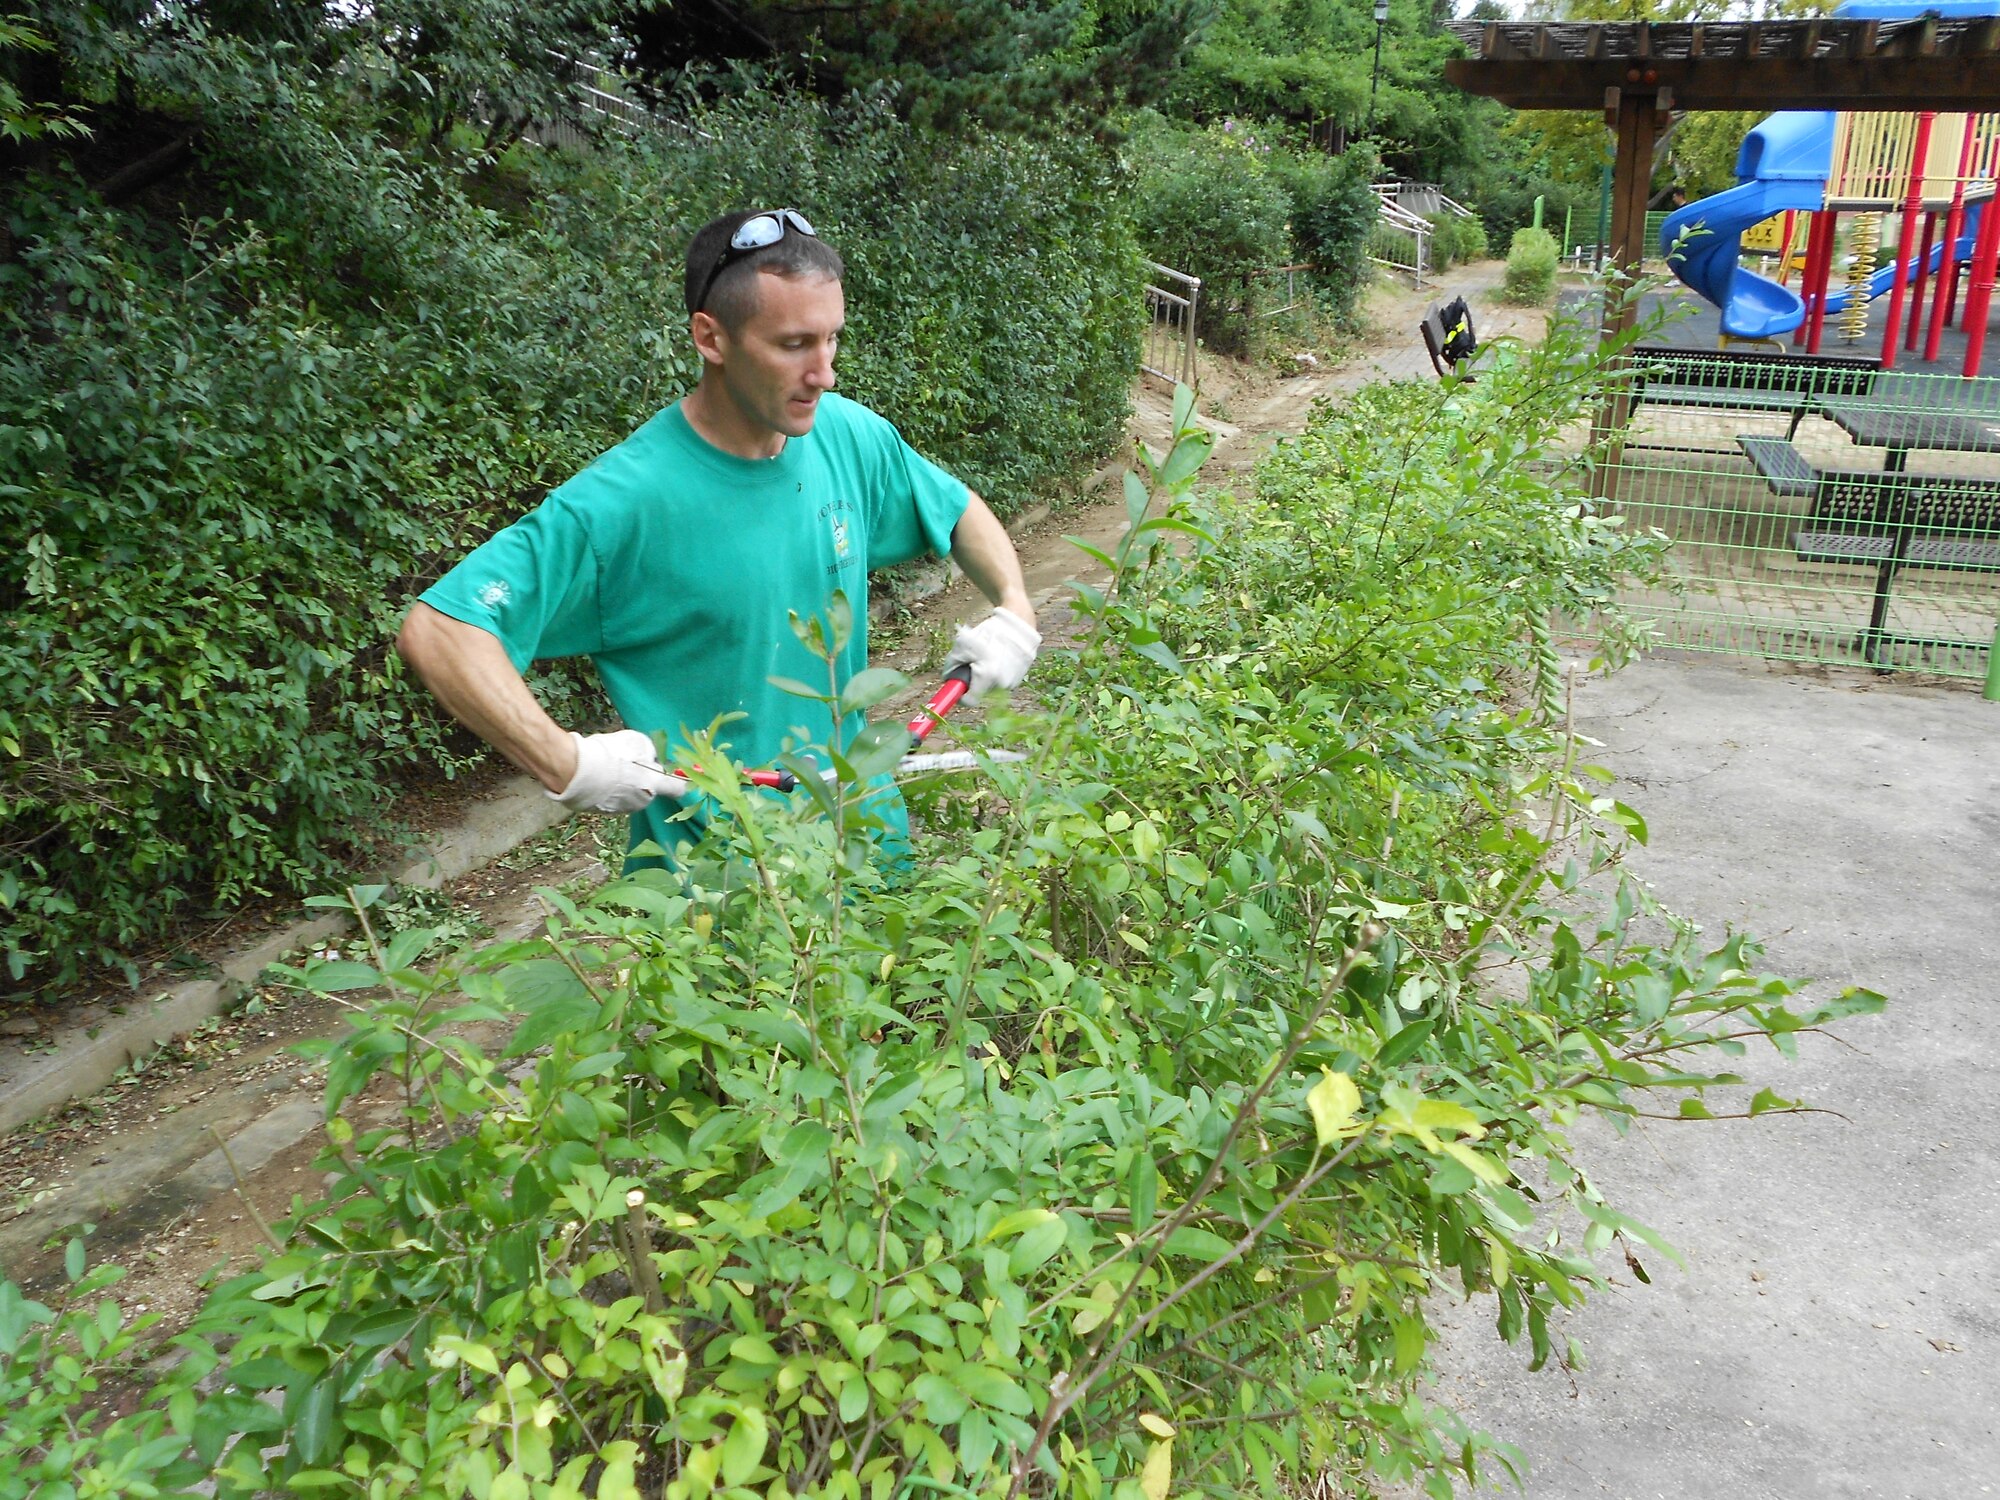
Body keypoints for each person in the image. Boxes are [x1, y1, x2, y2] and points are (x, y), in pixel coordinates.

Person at [396, 207, 1040, 866]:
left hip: (869, 855)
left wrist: (1014, 605)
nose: (825, 373)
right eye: (794, 345)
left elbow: (957, 511)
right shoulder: (625, 502)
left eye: (832, 340)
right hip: (725, 907)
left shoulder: (848, 436)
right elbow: (442, 630)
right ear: (711, 338)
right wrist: (565, 760)